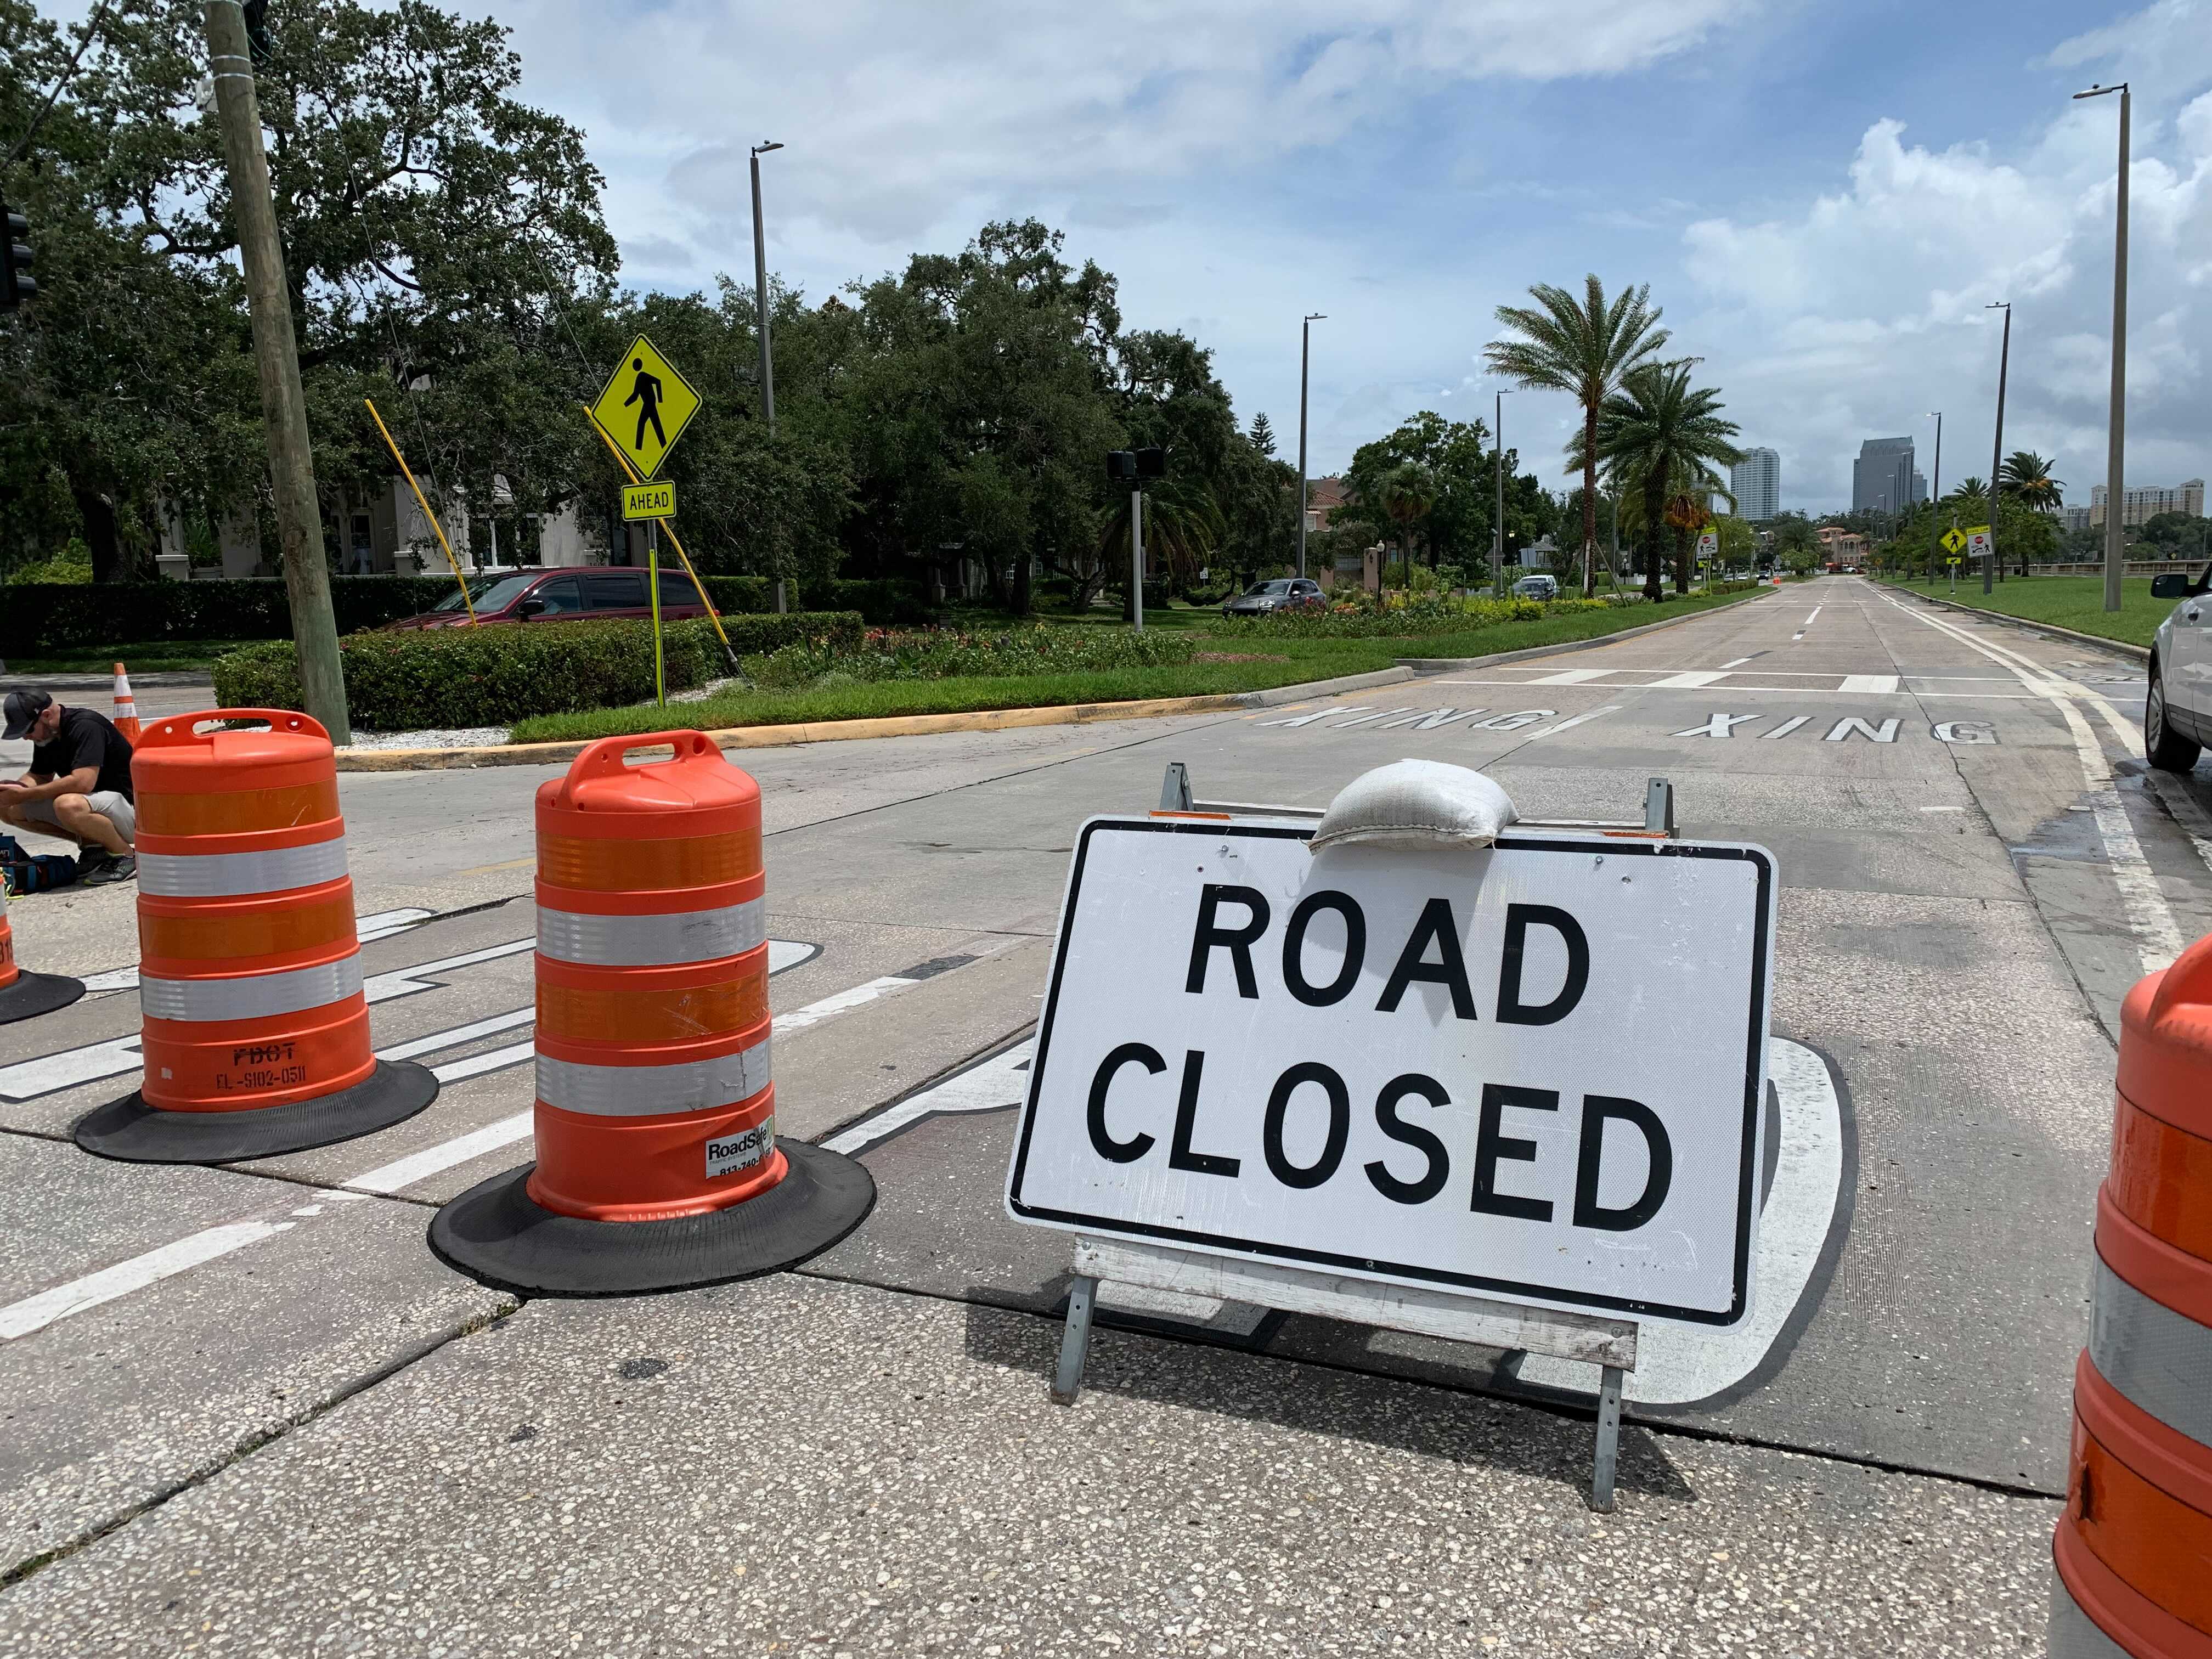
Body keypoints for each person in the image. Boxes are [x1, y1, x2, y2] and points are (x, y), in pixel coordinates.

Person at [0, 689, 137, 886]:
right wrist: (14, 789)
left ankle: (124, 856)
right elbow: (39, 776)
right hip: (96, 806)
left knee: (67, 804)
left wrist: (25, 794)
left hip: (130, 809)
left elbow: (83, 782)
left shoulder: (86, 726)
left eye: (28, 730)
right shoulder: (47, 735)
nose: (26, 737)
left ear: (46, 716)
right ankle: (95, 849)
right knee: (8, 809)